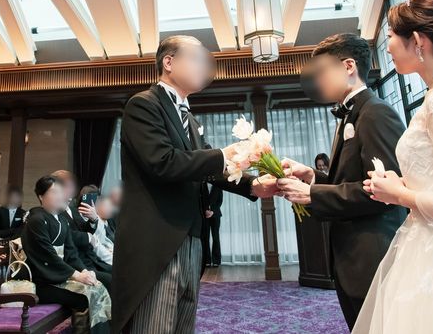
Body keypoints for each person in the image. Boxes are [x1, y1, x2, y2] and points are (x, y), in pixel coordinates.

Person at [112, 35, 279, 334]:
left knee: (182, 324)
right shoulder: (143, 104)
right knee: (156, 326)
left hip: (191, 236)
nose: (205, 67)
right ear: (169, 62)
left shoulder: (189, 118)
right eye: (197, 58)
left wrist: (253, 185)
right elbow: (162, 162)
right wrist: (223, 155)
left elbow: (207, 169)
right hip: (159, 241)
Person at [277, 33, 407, 331]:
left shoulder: (375, 113)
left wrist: (312, 194)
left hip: (372, 254)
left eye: (322, 71)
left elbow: (386, 192)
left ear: (349, 66)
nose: (317, 80)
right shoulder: (350, 115)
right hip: (351, 256)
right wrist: (313, 176)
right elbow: (352, 179)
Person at [353, 0, 433, 333]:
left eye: (391, 36)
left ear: (419, 41)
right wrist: (401, 184)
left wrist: (399, 194)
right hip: (422, 242)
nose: (388, 46)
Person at [21, 175, 111, 333]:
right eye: (54, 192)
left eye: (60, 192)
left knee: (98, 288)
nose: (59, 196)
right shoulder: (36, 220)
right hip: (43, 281)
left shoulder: (61, 221)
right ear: (41, 196)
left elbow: (71, 254)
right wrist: (77, 276)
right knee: (90, 295)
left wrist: (85, 271)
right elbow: (49, 256)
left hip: (59, 277)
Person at [53, 170, 112, 278]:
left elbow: (86, 229)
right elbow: (65, 234)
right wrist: (88, 237)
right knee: (112, 279)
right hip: (76, 262)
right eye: (68, 186)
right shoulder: (55, 211)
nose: (72, 190)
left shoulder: (73, 210)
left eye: (72, 186)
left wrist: (93, 220)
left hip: (91, 258)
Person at [202, 184, 223, 267]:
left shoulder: (218, 186)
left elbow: (220, 201)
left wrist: (212, 211)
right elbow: (200, 200)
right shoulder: (202, 185)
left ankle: (216, 261)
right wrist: (205, 210)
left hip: (216, 215)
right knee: (205, 237)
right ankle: (206, 260)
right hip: (205, 215)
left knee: (215, 237)